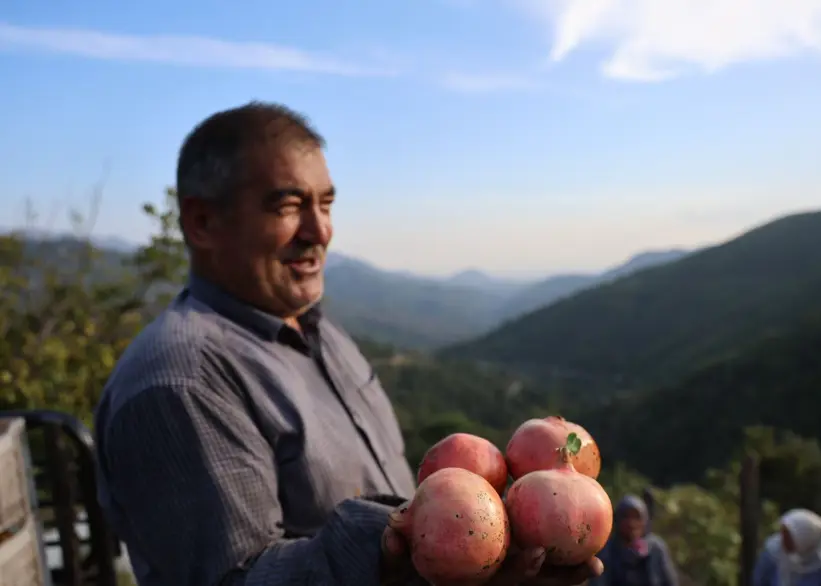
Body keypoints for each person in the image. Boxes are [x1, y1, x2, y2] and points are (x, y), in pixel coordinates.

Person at [93, 102, 604, 586]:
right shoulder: (181, 382)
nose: (320, 231)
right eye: (289, 206)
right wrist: (392, 546)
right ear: (202, 222)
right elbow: (233, 579)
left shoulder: (319, 332)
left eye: (326, 203)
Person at [752, 509, 821, 586]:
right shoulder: (773, 554)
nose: (783, 541)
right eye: (782, 534)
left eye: (789, 537)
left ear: (806, 539)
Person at [593, 495, 678, 586]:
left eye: (637, 517)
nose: (631, 523)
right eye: (626, 517)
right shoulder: (607, 549)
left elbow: (670, 581)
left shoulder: (656, 548)